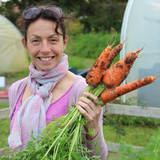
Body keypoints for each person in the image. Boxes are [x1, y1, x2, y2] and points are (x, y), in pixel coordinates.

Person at [8, 5, 108, 159]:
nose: (45, 49)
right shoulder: (17, 89)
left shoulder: (81, 90)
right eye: (36, 41)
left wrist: (93, 128)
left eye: (53, 40)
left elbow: (99, 157)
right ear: (25, 44)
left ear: (64, 42)